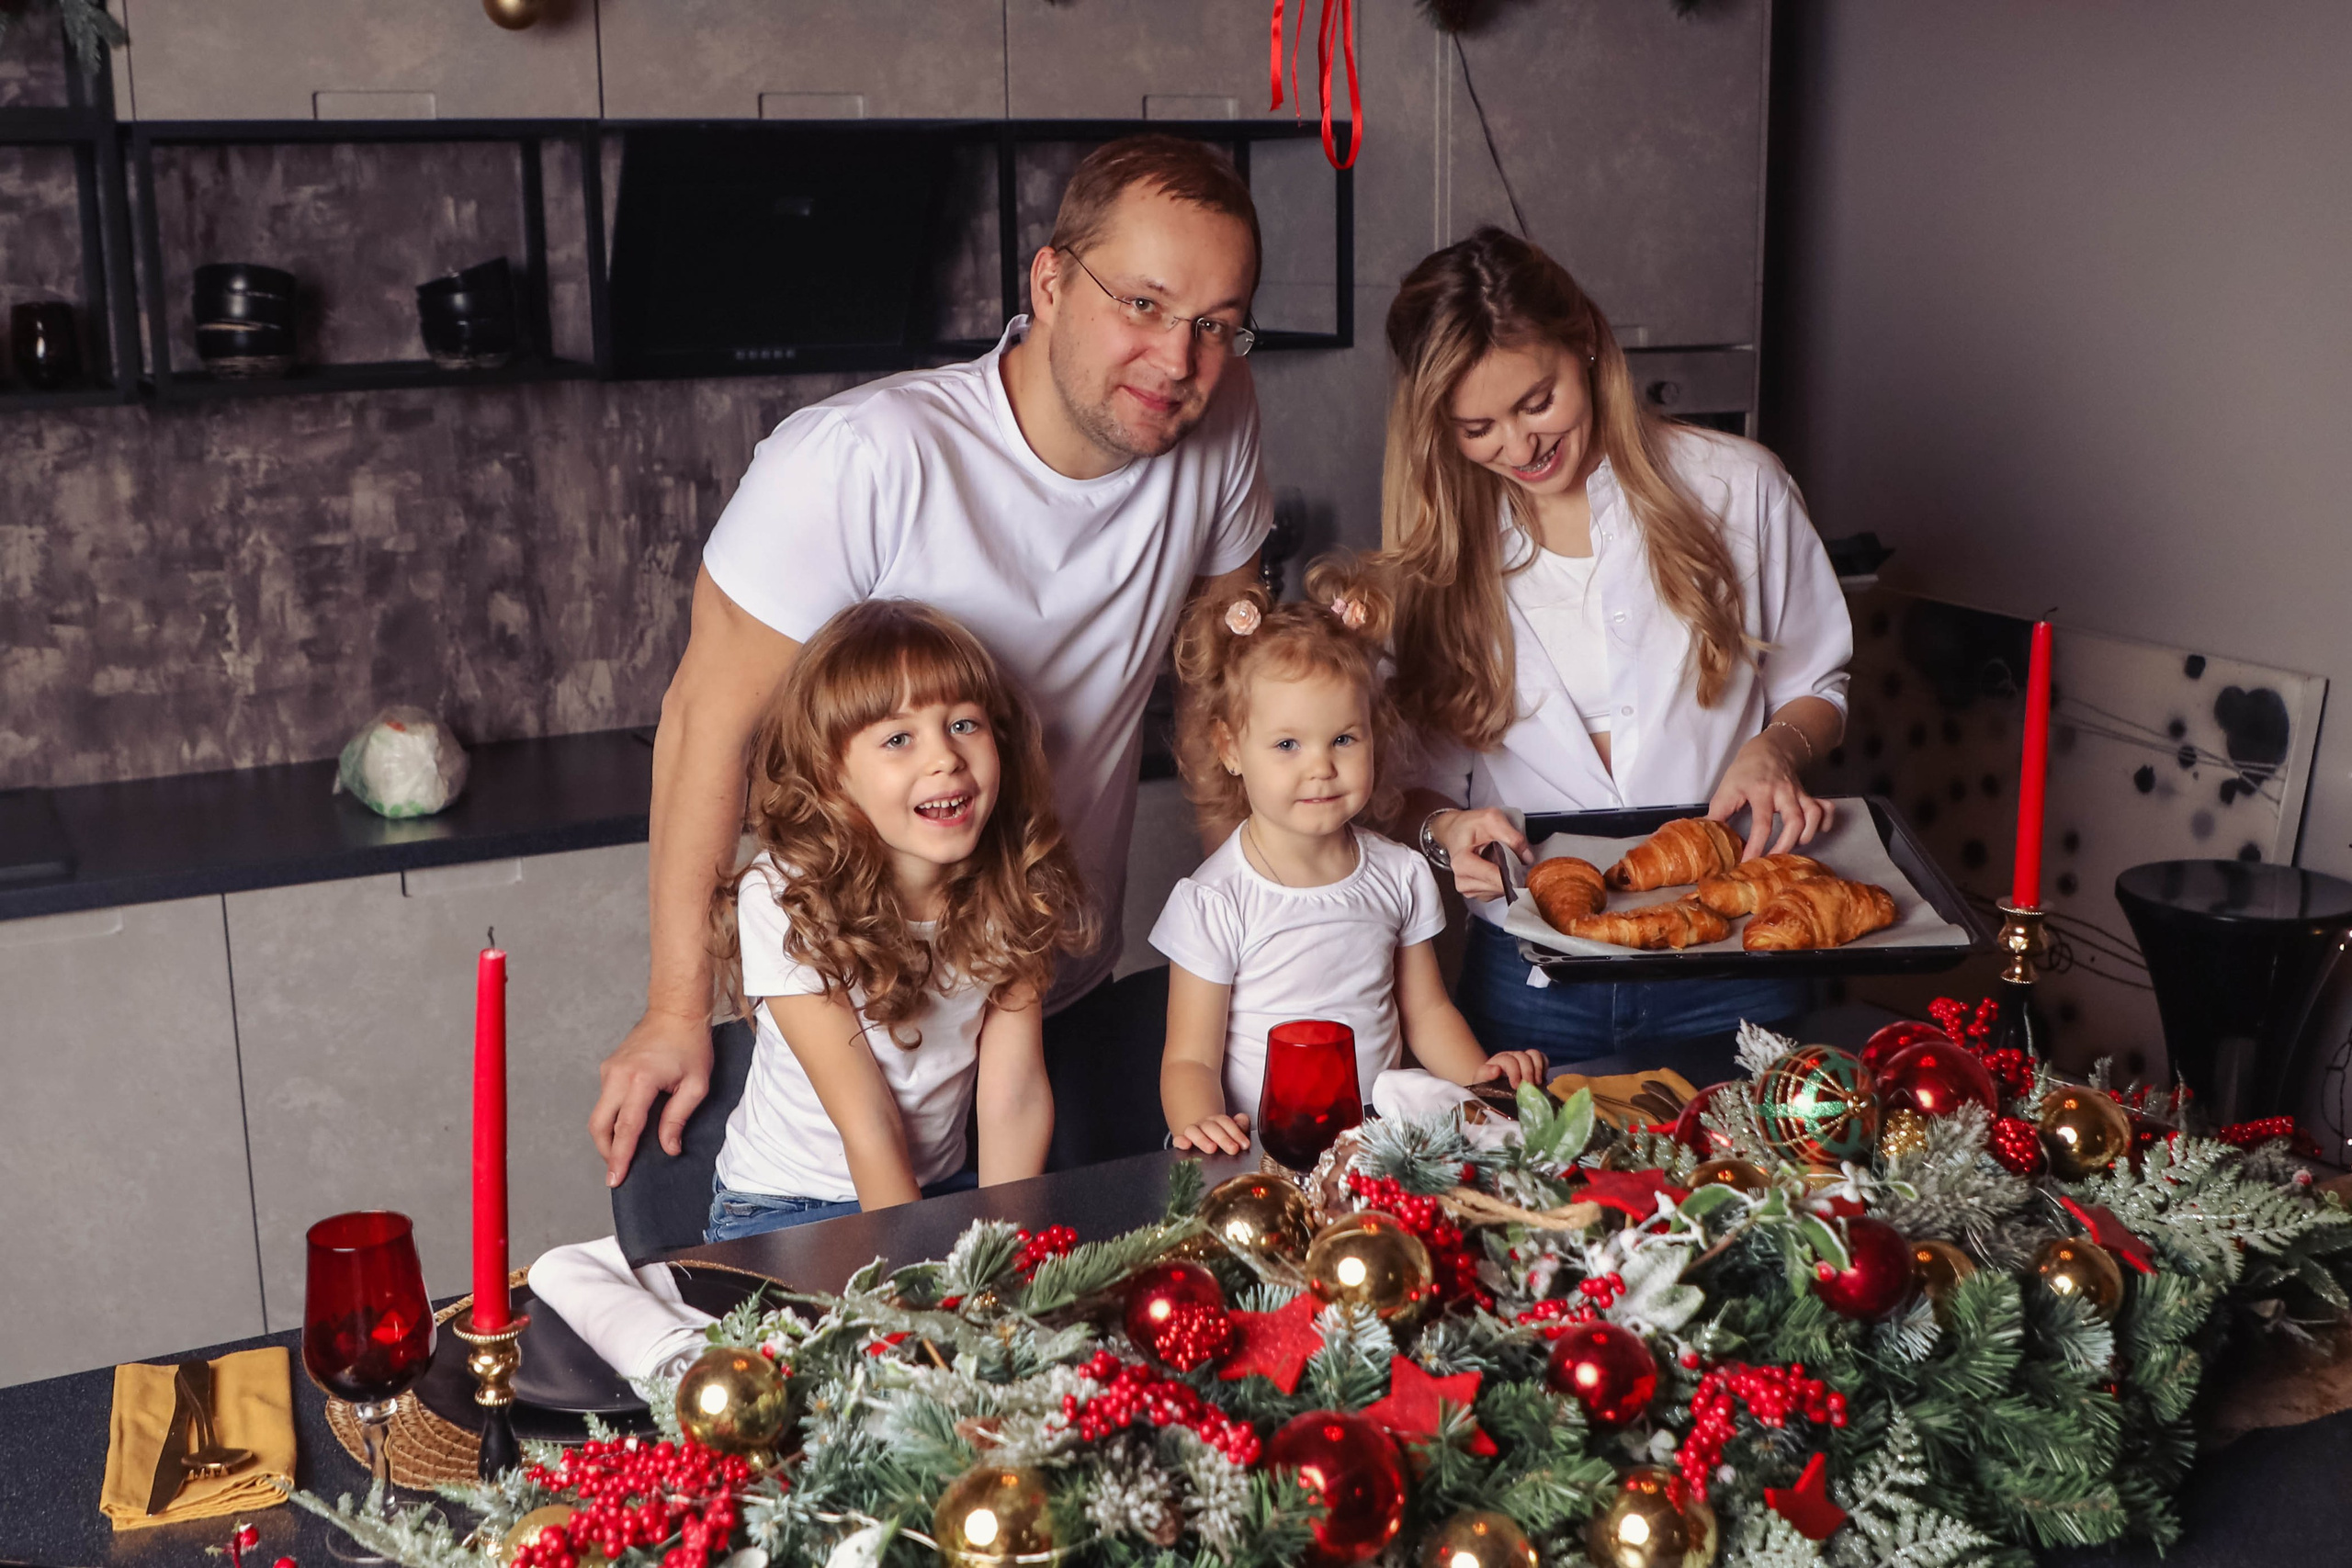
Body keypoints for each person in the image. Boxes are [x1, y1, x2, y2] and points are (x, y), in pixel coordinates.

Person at [591, 135, 1272, 1184]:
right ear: (1049, 281)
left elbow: (1225, 689)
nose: (1178, 360)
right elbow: (703, 724)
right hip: (875, 1013)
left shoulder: (1220, 418)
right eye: (1142, 304)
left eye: (1215, 325)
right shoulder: (859, 459)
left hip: (1044, 978)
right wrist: (677, 1007)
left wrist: (1262, 897)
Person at [1378, 228, 1852, 1066]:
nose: (1520, 448)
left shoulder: (1739, 488)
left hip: (1738, 951)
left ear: (1589, 345)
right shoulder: (1441, 557)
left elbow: (1820, 683)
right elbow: (1415, 789)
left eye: (1537, 402)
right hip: (1533, 974)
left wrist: (1775, 747)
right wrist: (1444, 830)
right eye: (1477, 427)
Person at [705, 601, 1091, 1240]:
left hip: (940, 1189)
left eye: (964, 723)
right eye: (898, 738)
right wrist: (930, 1289)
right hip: (788, 1209)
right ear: (833, 775)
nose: (945, 757)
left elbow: (1013, 1097)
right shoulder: (783, 893)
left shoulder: (1012, 881)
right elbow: (869, 1122)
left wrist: (1002, 1258)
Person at [1151, 560, 1547, 1156]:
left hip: (1377, 1153)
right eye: (1287, 744)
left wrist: (1479, 1082)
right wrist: (1204, 1124)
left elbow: (1428, 1013)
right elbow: (1189, 1058)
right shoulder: (1215, 899)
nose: (1321, 766)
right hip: (1264, 1155)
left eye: (1343, 738)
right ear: (1230, 747)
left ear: (1373, 734)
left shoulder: (1400, 872)